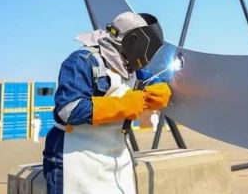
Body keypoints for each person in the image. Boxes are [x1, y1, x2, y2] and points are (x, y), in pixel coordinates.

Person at [43, 12, 172, 194]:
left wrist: (159, 88)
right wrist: (125, 105)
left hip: (113, 158)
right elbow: (68, 110)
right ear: (133, 41)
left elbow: (149, 78)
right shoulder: (83, 61)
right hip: (76, 156)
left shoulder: (128, 66)